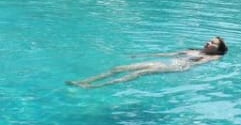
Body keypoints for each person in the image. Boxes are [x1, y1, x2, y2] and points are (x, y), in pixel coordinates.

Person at [68, 36, 228, 88]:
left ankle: (94, 86)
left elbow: (200, 63)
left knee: (140, 73)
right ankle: (86, 81)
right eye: (209, 41)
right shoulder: (192, 50)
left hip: (178, 67)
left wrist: (190, 65)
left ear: (217, 49)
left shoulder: (213, 57)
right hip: (167, 63)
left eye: (213, 43)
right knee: (119, 68)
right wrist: (140, 55)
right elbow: (167, 54)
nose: (208, 43)